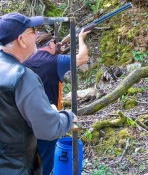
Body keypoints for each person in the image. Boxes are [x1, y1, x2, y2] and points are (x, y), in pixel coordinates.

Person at [0, 12, 78, 175]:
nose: (36, 35)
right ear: (21, 40)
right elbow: (48, 129)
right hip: (16, 168)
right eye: (32, 31)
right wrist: (67, 116)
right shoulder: (22, 77)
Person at [23, 28, 90, 175]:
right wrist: (81, 38)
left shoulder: (24, 59)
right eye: (54, 42)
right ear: (50, 45)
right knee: (45, 163)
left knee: (26, 161)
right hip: (47, 118)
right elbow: (83, 58)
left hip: (23, 119)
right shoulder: (56, 62)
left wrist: (56, 50)